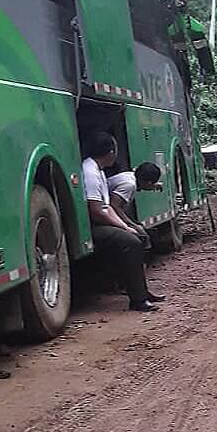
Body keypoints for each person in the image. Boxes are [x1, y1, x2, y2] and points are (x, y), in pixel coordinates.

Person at [81, 132, 164, 311]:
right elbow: (96, 211)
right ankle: (138, 299)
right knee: (132, 242)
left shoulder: (98, 171)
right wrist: (126, 227)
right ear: (110, 152)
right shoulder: (90, 173)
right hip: (91, 224)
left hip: (101, 219)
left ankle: (139, 291)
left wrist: (125, 226)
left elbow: (107, 206)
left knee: (135, 236)